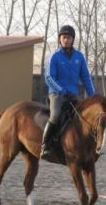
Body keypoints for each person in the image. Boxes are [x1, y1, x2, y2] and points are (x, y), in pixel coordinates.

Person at [40, 25, 95, 159]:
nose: (66, 40)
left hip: (73, 94)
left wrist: (93, 97)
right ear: (60, 39)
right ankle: (45, 146)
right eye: (64, 37)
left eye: (69, 37)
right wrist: (62, 91)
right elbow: (49, 77)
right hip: (57, 94)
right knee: (56, 115)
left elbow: (86, 77)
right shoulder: (54, 56)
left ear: (72, 39)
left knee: (84, 117)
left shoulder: (79, 56)